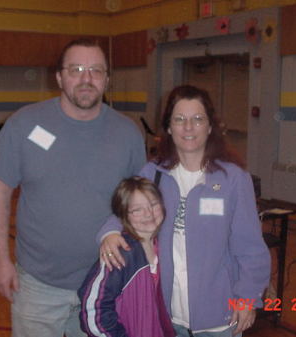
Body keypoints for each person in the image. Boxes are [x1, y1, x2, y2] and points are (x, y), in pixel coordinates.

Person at [0, 38, 146, 337]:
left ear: (107, 79)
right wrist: (1, 260)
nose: (86, 78)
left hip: (105, 283)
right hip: (37, 285)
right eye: (76, 69)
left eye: (96, 70)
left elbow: (140, 206)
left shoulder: (127, 133)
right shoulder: (24, 124)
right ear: (59, 77)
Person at [99, 85, 271, 337]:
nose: (188, 127)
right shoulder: (154, 173)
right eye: (179, 119)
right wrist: (110, 233)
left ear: (210, 126)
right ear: (168, 127)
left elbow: (251, 248)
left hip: (218, 318)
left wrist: (246, 298)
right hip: (166, 314)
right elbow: (122, 212)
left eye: (197, 119)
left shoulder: (233, 179)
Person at [78, 177, 174, 337]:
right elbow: (93, 309)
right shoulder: (121, 254)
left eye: (154, 204)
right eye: (137, 210)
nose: (148, 213)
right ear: (123, 215)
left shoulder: (162, 246)